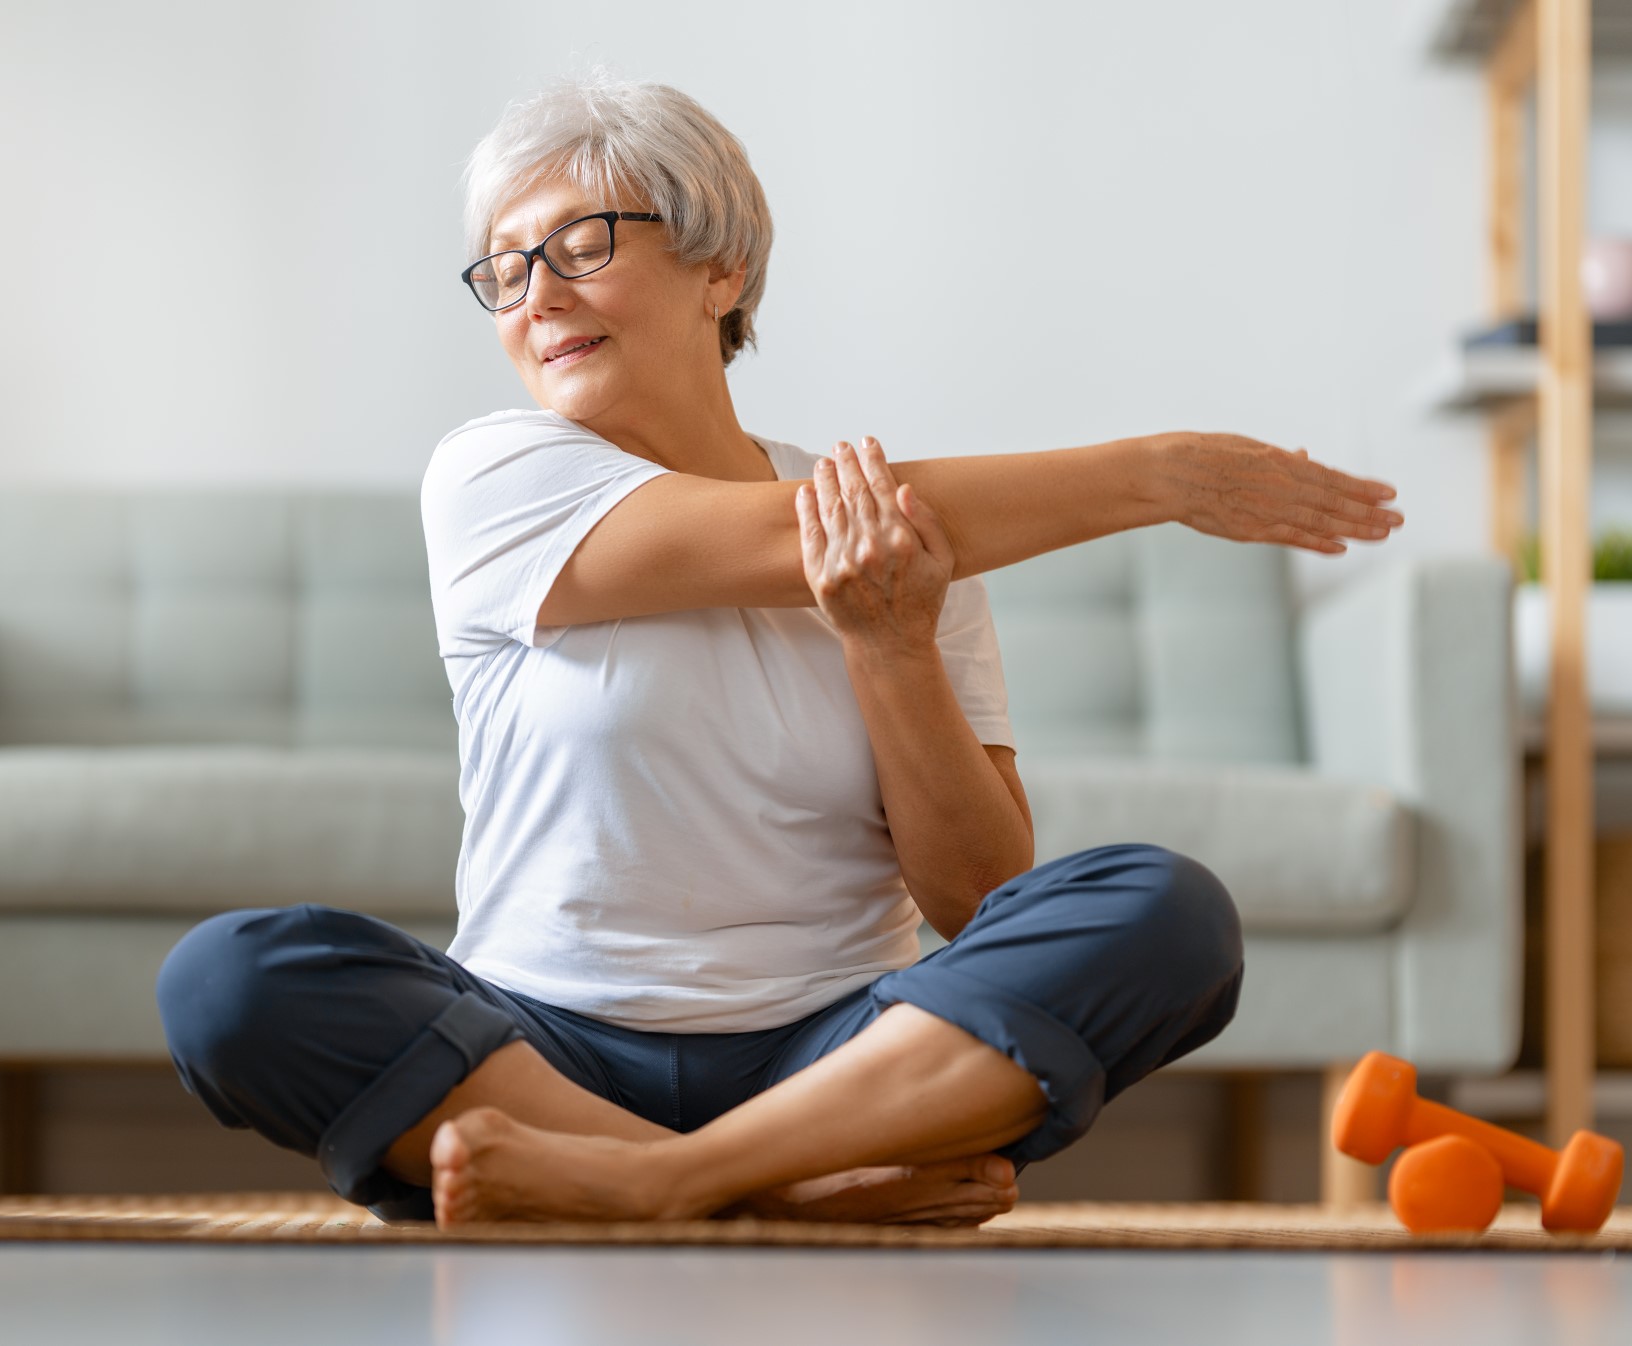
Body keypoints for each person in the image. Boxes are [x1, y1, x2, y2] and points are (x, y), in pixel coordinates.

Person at [156, 75, 1404, 1227]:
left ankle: (663, 1185)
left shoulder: (912, 553)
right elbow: (787, 537)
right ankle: (777, 1192)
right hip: (537, 1049)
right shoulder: (491, 477)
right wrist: (1157, 472)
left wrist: (890, 642)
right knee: (230, 978)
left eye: (582, 243)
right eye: (502, 268)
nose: (534, 291)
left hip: (839, 1052)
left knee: (1167, 913)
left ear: (721, 268)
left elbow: (977, 901)